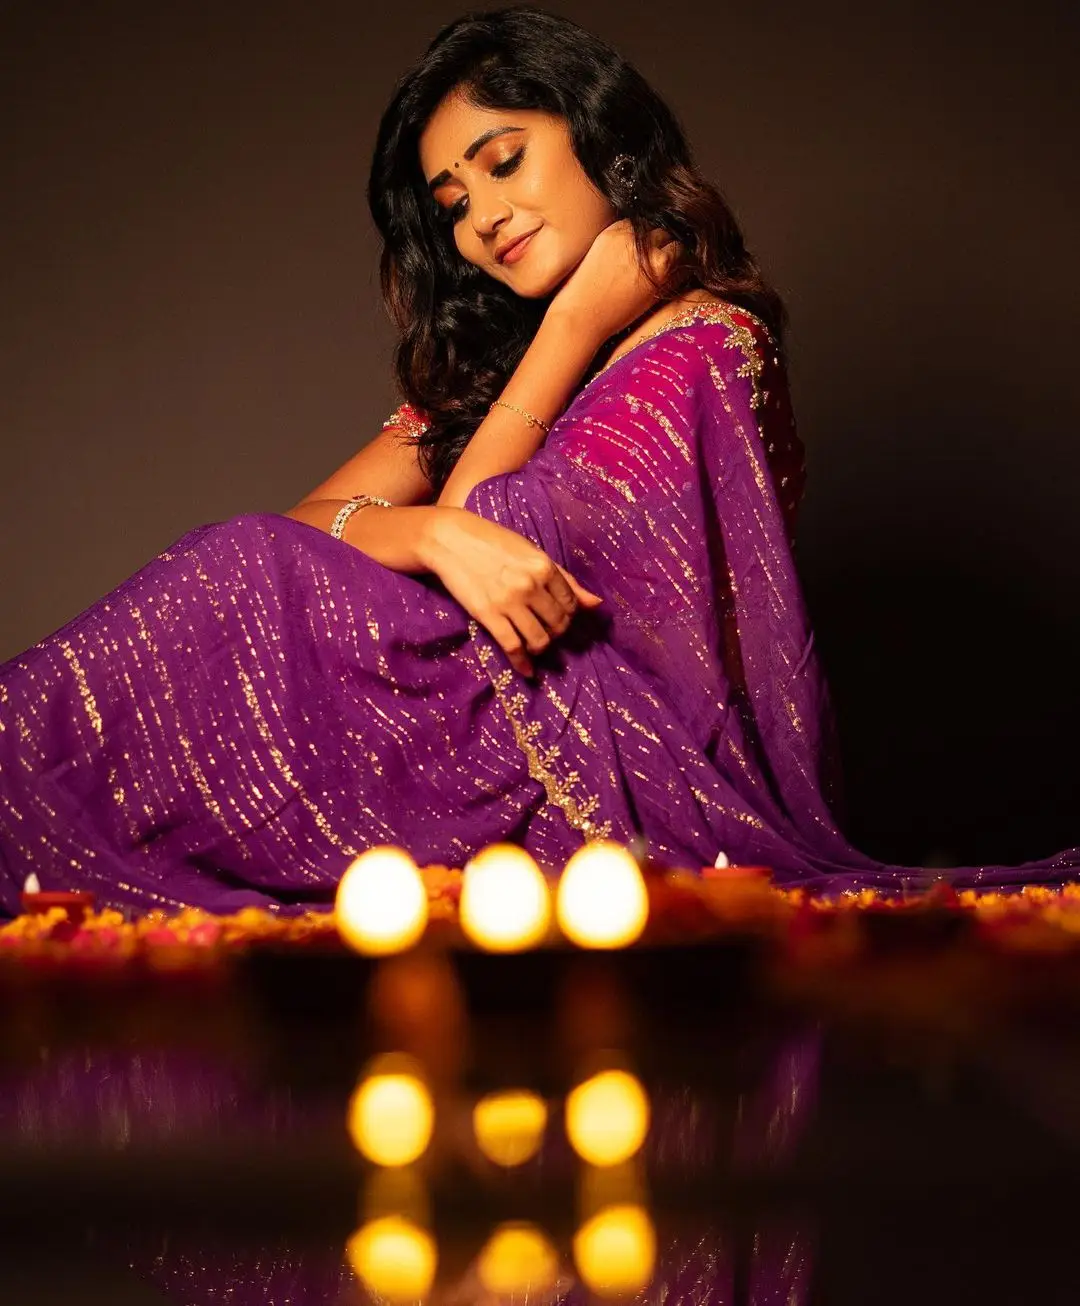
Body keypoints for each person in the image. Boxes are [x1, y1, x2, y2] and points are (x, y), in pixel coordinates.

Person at [0, 8, 1075, 918]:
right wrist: (421, 526)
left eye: (503, 161)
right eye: (454, 206)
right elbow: (311, 520)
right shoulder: (497, 365)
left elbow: (501, 526)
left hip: (557, 786)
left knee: (233, 582)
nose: (485, 219)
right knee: (234, 571)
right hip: (429, 728)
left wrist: (568, 336)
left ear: (597, 132)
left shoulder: (702, 342)